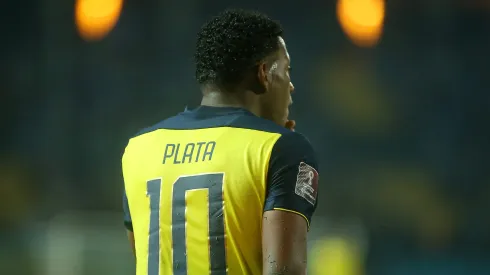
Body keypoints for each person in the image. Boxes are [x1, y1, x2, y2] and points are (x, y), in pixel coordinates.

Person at [122, 9, 320, 275]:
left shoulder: (139, 147)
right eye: (286, 71)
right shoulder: (281, 149)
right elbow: (284, 271)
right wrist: (281, 143)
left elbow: (144, 256)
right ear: (263, 73)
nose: (291, 85)